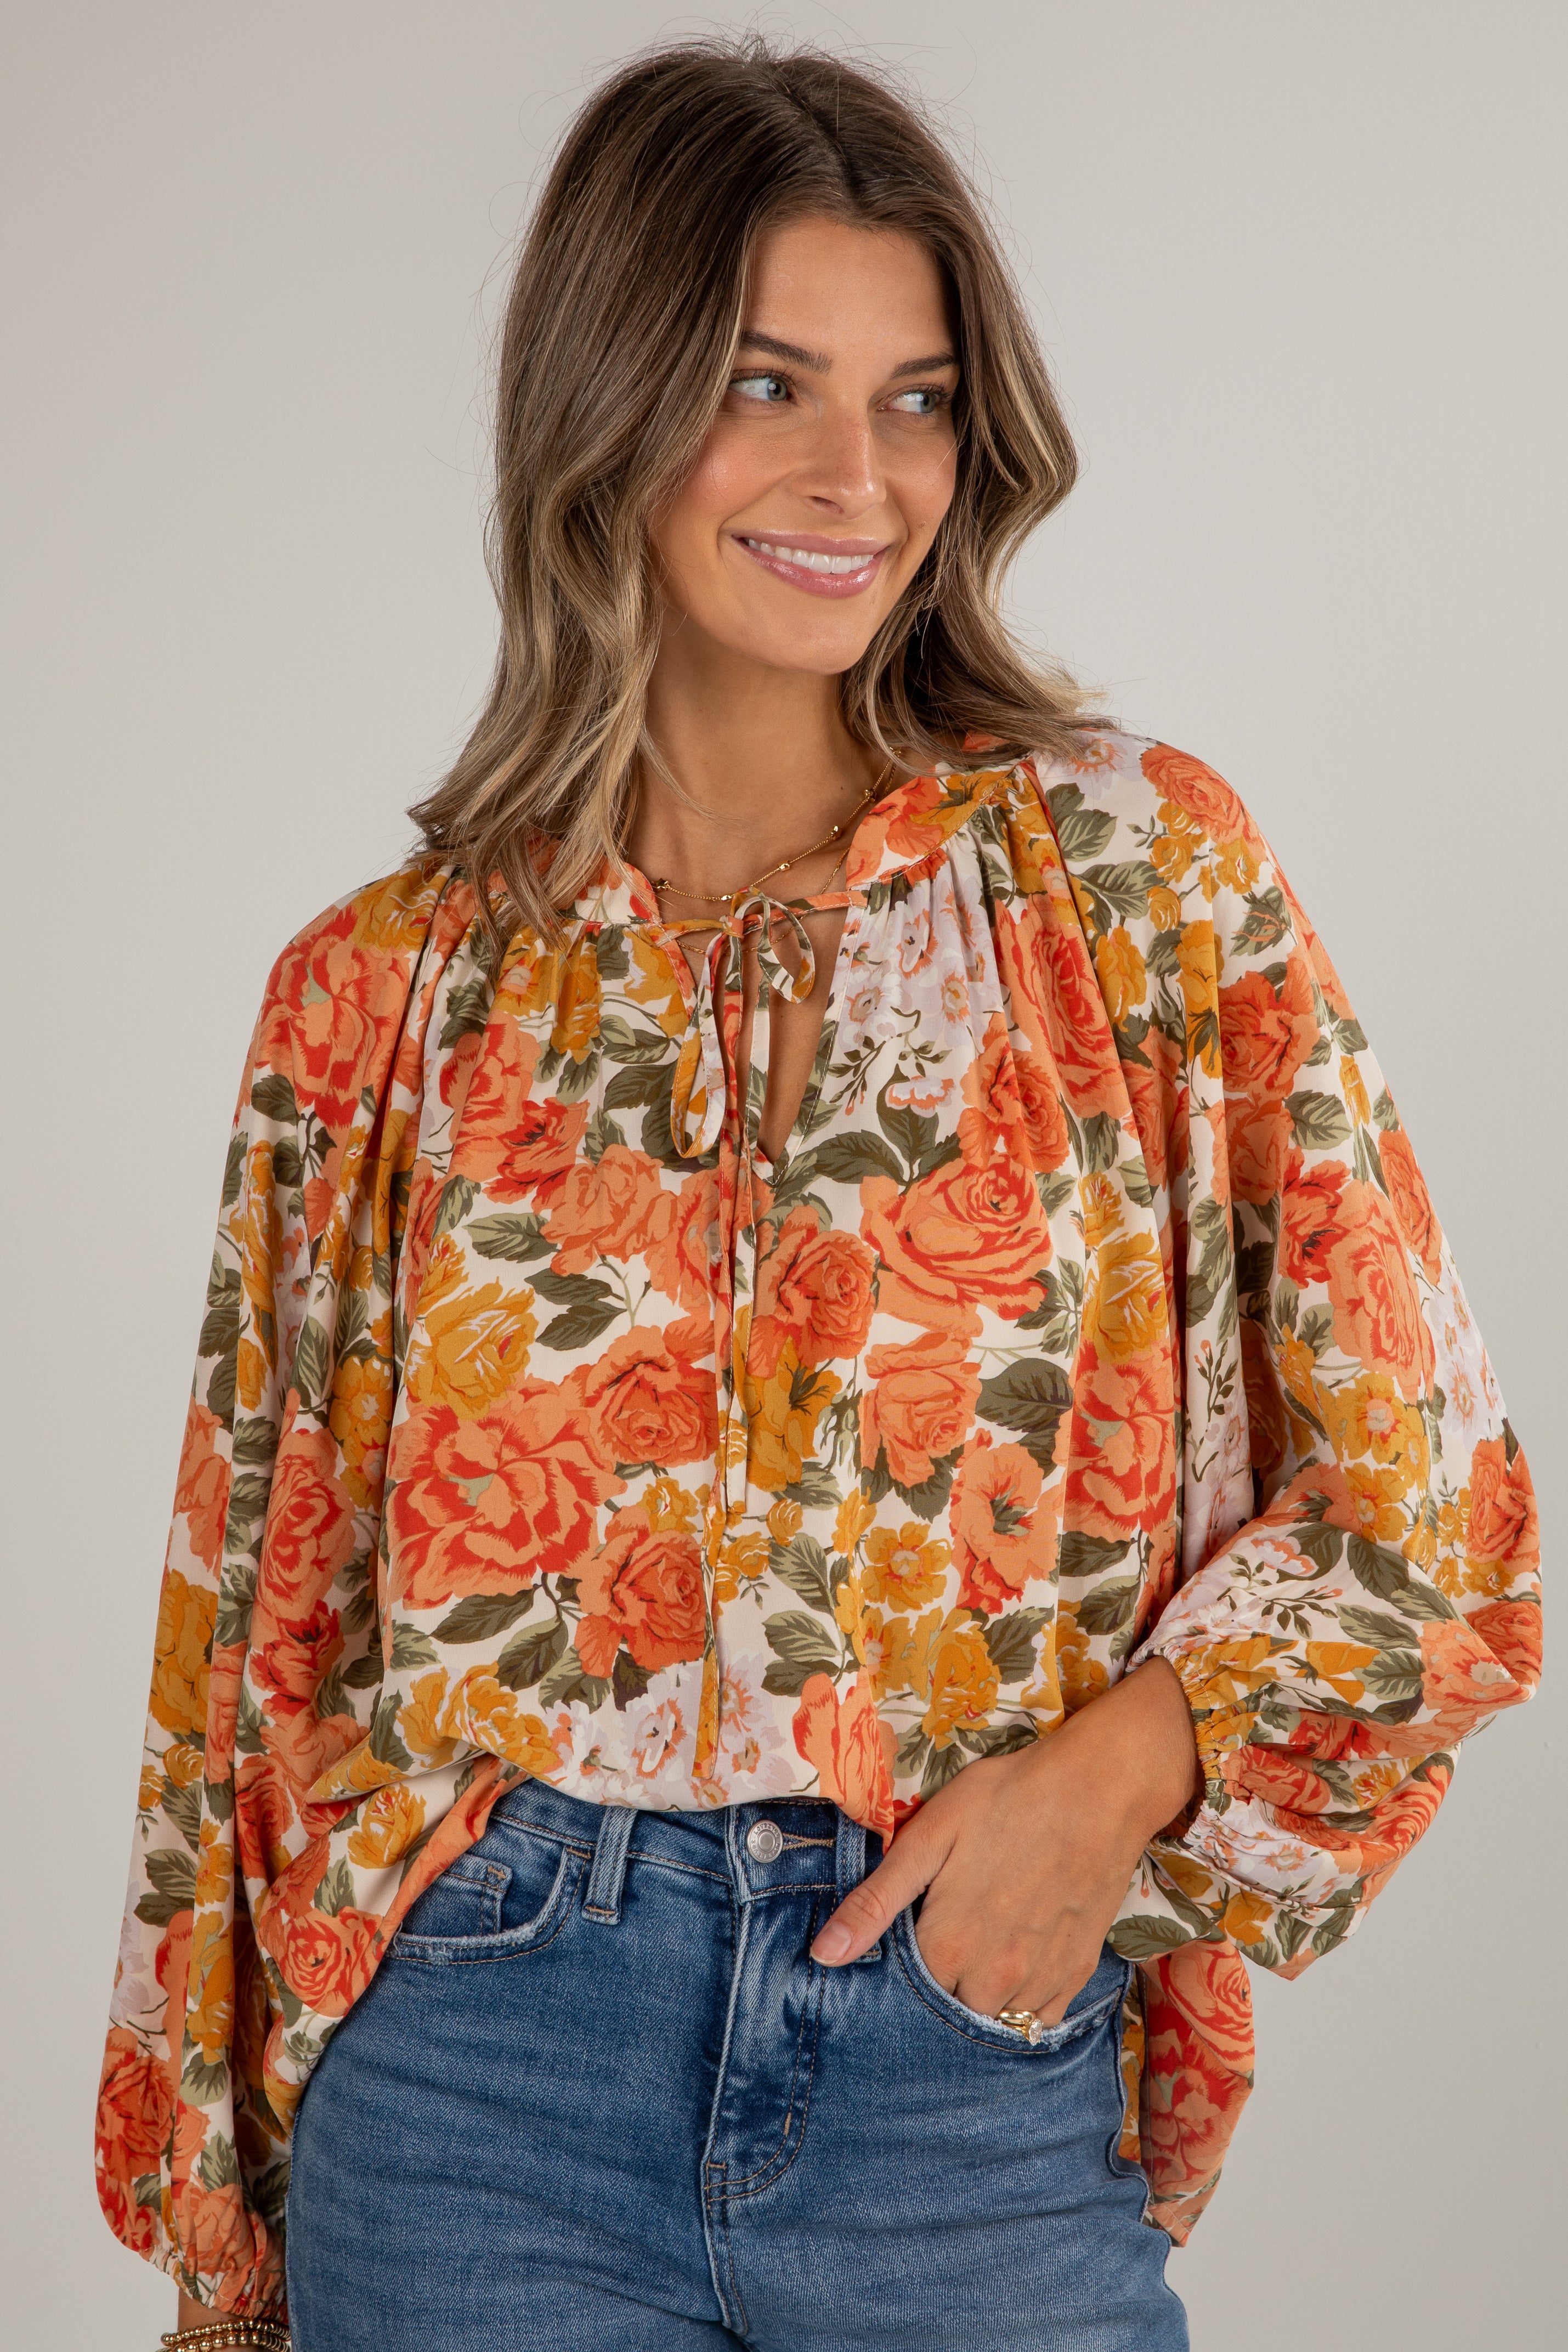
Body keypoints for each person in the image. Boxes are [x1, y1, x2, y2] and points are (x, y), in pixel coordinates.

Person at [95, 39, 1541, 2352]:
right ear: (605, 402)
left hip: (960, 2057)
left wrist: (1115, 1775)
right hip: (474, 2074)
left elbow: (1439, 1501)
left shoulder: (1134, 881)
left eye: (916, 399)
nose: (855, 477)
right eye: (762, 383)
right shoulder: (382, 994)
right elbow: (248, 1643)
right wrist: (218, 2214)